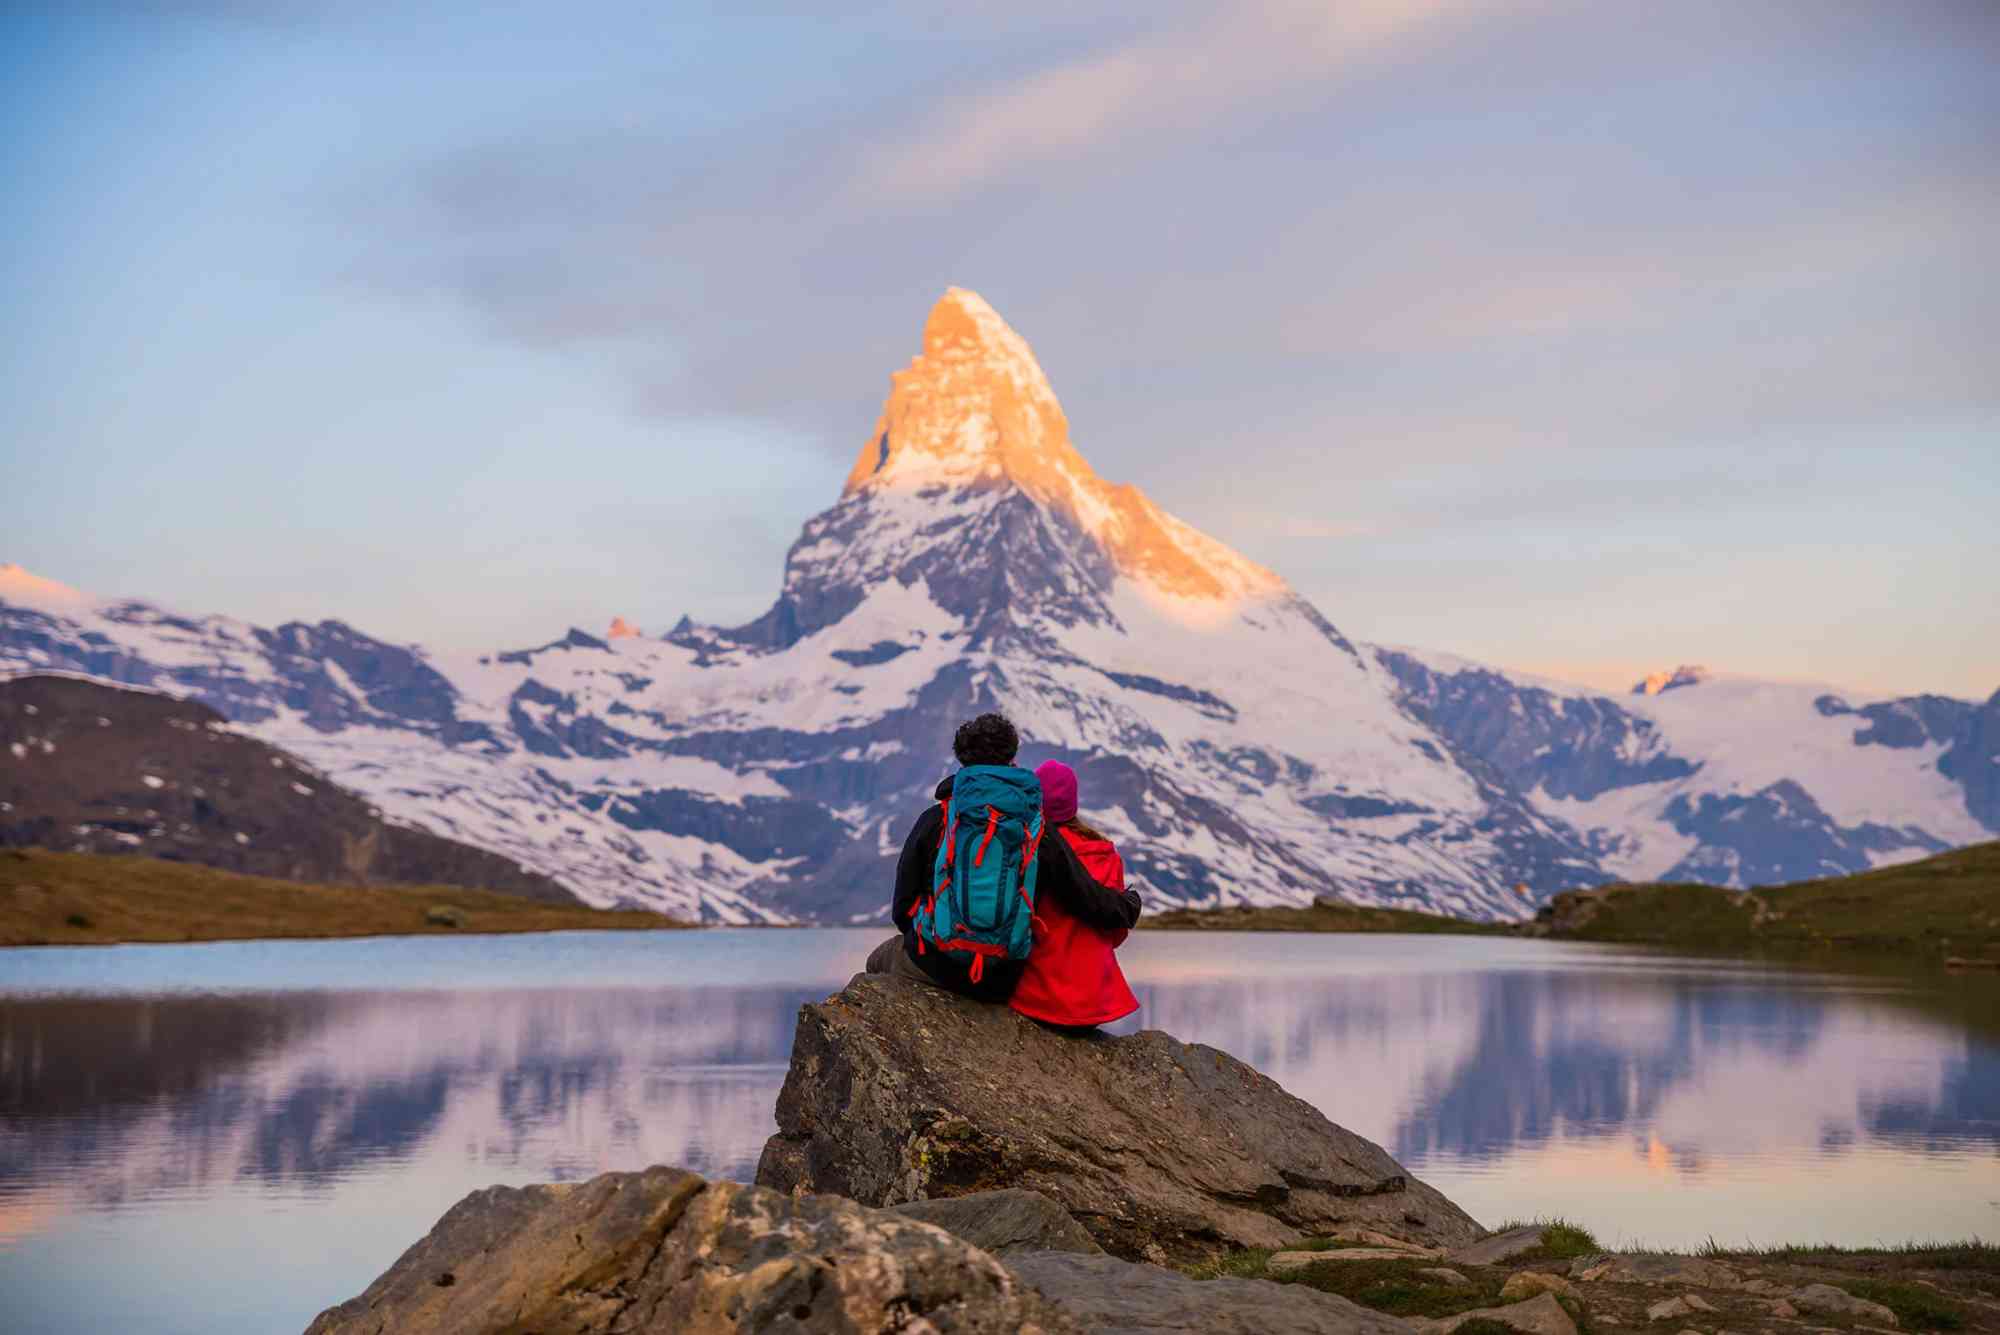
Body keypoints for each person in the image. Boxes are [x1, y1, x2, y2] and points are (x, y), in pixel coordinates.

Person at [867, 712, 1136, 1004]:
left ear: (963, 762)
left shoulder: (937, 818)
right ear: (1012, 758)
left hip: (935, 964)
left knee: (877, 961)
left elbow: (902, 909)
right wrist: (1129, 906)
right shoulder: (1034, 825)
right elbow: (1084, 896)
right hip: (1002, 978)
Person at [1007, 760, 1141, 1028]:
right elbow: (1115, 933)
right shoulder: (1104, 852)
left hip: (1036, 997)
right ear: (1073, 803)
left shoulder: (1027, 849)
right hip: (1093, 1001)